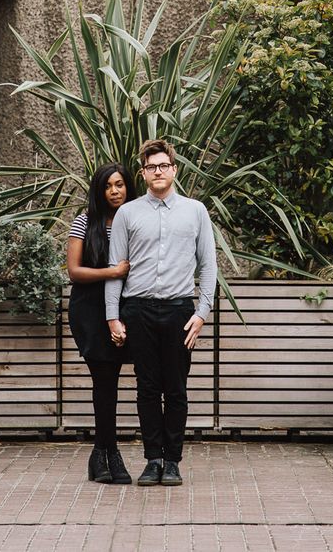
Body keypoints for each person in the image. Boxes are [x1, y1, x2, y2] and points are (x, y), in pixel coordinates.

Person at [105, 139, 217, 487]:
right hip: (138, 310)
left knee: (177, 389)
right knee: (147, 388)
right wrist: (113, 316)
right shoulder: (128, 213)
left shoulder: (195, 211)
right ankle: (153, 460)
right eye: (151, 167)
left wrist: (201, 313)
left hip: (179, 310)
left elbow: (209, 266)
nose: (158, 171)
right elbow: (116, 267)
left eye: (163, 166)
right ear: (143, 173)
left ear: (174, 170)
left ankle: (173, 462)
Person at [67, 162, 137, 484]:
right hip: (90, 311)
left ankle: (100, 454)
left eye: (120, 184)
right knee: (104, 381)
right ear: (99, 190)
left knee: (114, 381)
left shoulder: (136, 221)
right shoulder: (85, 222)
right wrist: (112, 272)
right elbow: (74, 271)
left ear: (128, 187)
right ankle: (111, 454)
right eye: (108, 186)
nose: (114, 191)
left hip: (127, 309)